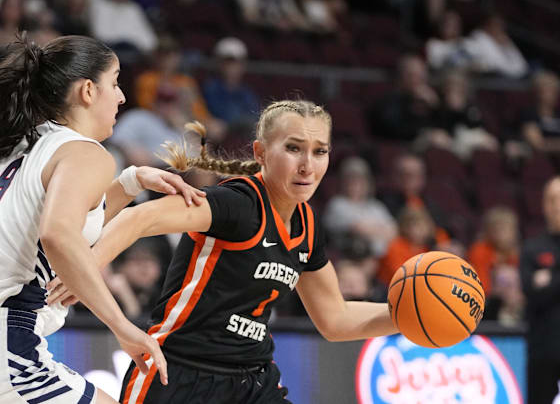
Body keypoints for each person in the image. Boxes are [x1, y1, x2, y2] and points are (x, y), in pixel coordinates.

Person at [0, 34, 206, 404]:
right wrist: (122, 326)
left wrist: (129, 183)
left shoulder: (20, 144)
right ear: (88, 91)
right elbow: (58, 234)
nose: (122, 96)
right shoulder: (87, 154)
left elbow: (64, 219)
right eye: (115, 82)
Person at [49, 100, 398, 403]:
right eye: (294, 148)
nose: (308, 164)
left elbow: (334, 318)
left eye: (319, 151)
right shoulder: (238, 203)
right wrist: (85, 266)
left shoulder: (308, 225)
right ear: (260, 152)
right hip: (180, 375)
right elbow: (139, 217)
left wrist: (407, 316)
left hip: (252, 381)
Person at [520, 176, 560, 404]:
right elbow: (533, 293)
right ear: (544, 205)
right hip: (542, 352)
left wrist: (550, 277)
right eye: (552, 199)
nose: (557, 206)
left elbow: (544, 289)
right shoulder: (532, 247)